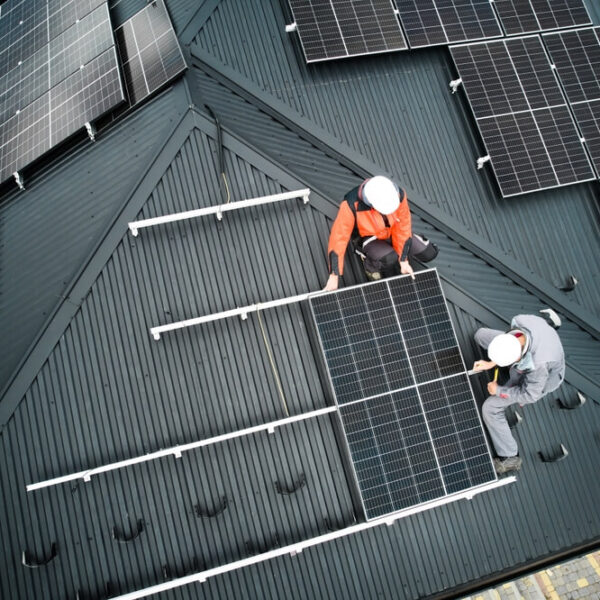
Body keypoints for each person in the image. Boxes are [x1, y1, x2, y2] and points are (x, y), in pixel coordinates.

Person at [473, 314, 565, 474]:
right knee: (481, 335)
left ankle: (510, 457)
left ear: (517, 358)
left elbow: (530, 395)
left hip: (542, 379)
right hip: (530, 348)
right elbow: (508, 349)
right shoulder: (520, 321)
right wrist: (492, 362)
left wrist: (499, 391)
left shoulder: (538, 366)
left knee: (490, 408)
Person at [324, 176, 438, 291]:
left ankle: (406, 245)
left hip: (392, 233)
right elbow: (338, 239)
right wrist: (334, 275)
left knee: (429, 253)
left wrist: (403, 260)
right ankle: (370, 265)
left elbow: (403, 226)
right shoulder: (351, 204)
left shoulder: (398, 195)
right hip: (370, 238)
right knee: (389, 258)